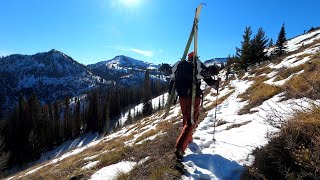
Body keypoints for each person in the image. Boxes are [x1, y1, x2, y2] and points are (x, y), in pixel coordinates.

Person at [160, 52, 220, 160]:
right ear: (195, 57)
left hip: (182, 97)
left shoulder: (179, 64)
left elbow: (170, 74)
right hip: (193, 96)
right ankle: (180, 148)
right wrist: (215, 81)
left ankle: (188, 139)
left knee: (186, 118)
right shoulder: (196, 63)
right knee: (192, 121)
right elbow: (204, 75)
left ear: (188, 57)